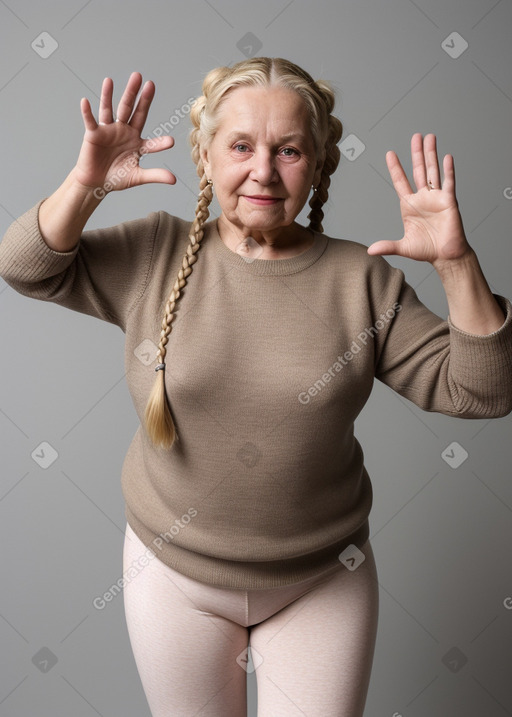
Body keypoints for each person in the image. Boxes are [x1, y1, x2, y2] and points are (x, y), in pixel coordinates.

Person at [0, 57, 511, 717]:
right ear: (206, 157)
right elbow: (24, 267)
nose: (264, 170)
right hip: (173, 576)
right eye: (241, 146)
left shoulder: (361, 278)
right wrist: (86, 184)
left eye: (289, 150)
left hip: (322, 579)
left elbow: (482, 391)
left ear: (319, 164)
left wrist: (456, 264)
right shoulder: (154, 252)